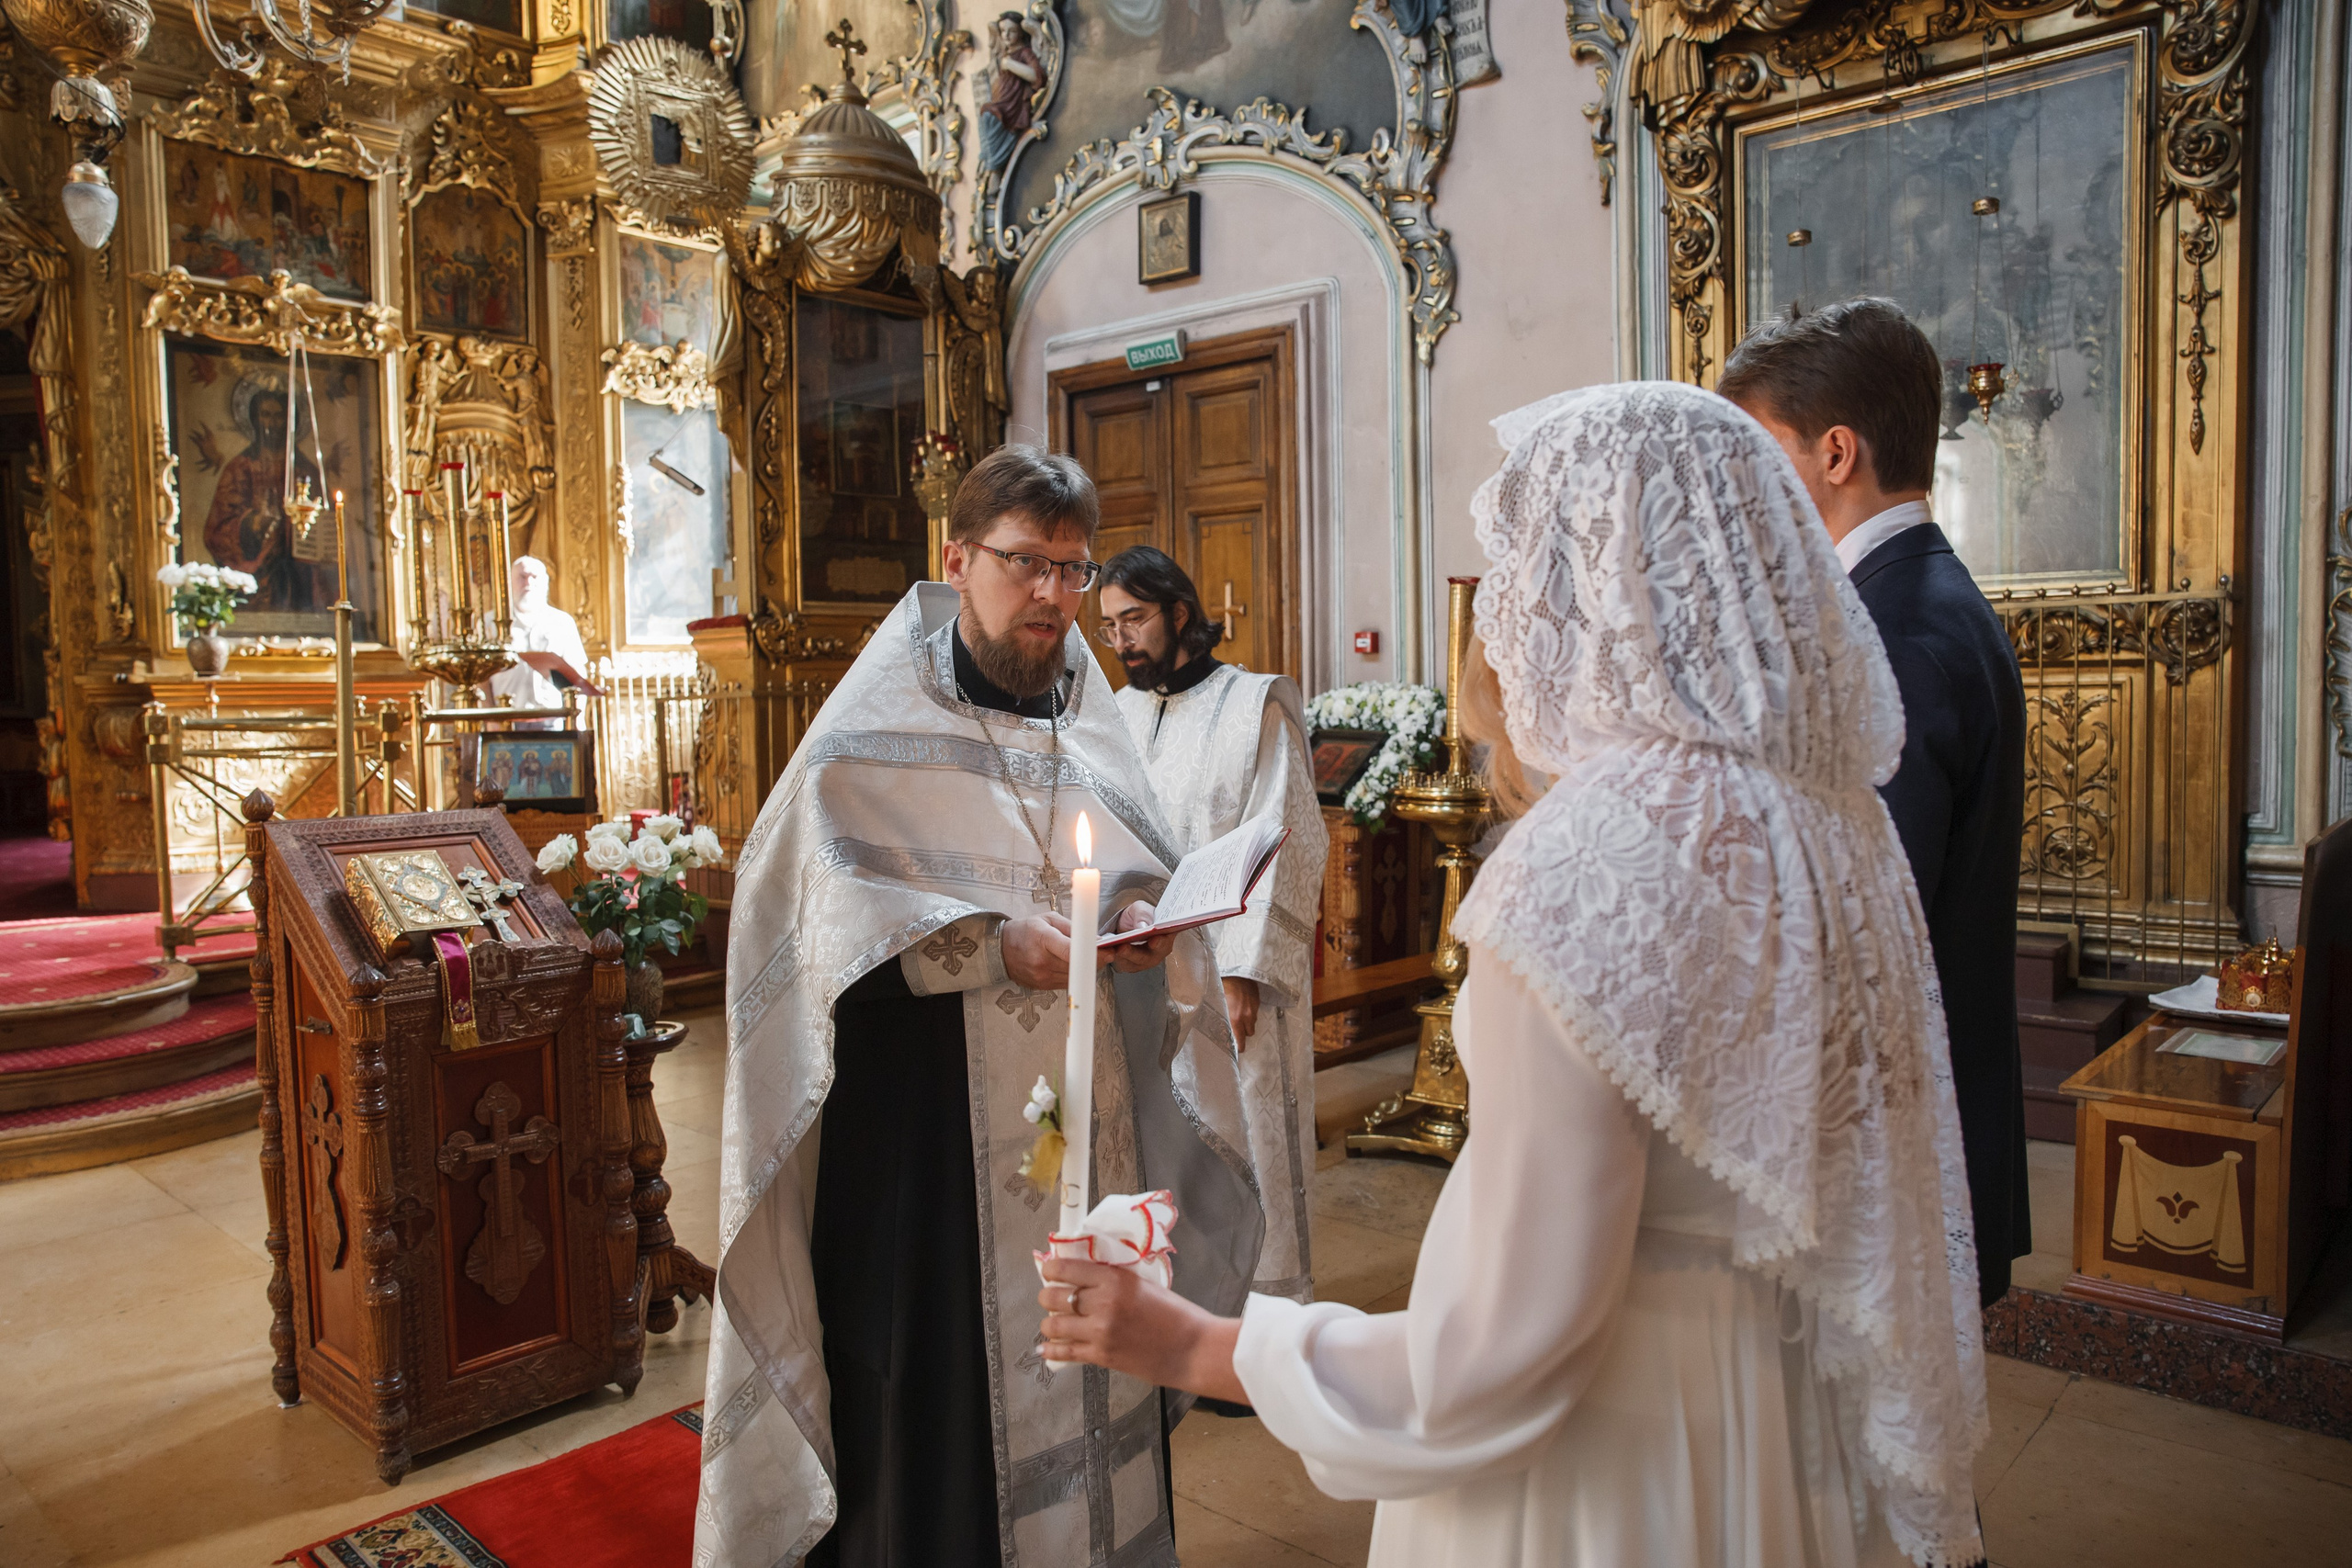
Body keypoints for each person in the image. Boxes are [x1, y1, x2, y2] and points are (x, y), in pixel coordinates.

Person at [1038, 383, 1991, 1568]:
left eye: (1518, 568)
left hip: (1617, 1456)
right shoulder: (1834, 820)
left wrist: (1190, 1346)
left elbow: (1495, 1354)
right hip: (1780, 1417)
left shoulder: (1584, 860)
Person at [695, 445, 1265, 1568]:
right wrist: (983, 945)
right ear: (957, 560)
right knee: (941, 1403)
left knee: (1089, 1362)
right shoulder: (855, 747)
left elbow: (1135, 864)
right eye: (1025, 565)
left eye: (1071, 567)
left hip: (1082, 1126)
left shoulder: (1084, 718)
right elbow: (812, 933)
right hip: (923, 1158)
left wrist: (1145, 937)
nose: (1054, 594)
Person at [1720, 298, 2030, 1307]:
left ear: (1835, 453)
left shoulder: (1888, 635)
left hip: (1891, 1137)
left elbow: (1859, 934)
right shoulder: (1931, 597)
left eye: (1762, 453)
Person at [1100, 546, 1329, 1306]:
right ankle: (1190, 1307)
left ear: (1181, 614)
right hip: (1149, 966)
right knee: (1171, 1139)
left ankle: (1264, 1312)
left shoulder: (1254, 704)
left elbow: (1288, 830)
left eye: (1134, 618)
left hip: (1235, 972)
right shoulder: (1120, 714)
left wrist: (1244, 970)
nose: (1122, 640)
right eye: (1108, 627)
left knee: (1253, 1136)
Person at [484, 556, 591, 730]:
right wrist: (490, 718)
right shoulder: (490, 623)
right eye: (522, 577)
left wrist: (577, 718)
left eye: (534, 577)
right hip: (506, 720)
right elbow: (483, 679)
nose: (528, 582)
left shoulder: (561, 622)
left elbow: (577, 675)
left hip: (551, 719)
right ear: (509, 583)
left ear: (545, 583)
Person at [977, 12, 1041, 171]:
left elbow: (1037, 76)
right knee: (985, 115)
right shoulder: (1005, 54)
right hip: (1004, 97)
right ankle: (990, 159)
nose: (1006, 35)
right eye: (1003, 31)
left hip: (1015, 101)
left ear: (1020, 32)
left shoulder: (1025, 53)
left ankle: (995, 163)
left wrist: (1011, 65)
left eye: (1011, 31)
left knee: (991, 115)